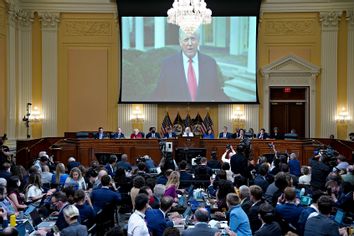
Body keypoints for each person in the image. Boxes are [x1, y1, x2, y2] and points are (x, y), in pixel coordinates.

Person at [150, 29, 228, 102]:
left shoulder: (210, 63)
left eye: (193, 39)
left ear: (198, 41)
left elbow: (217, 93)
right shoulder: (168, 64)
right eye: (186, 39)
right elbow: (159, 94)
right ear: (180, 42)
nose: (190, 43)